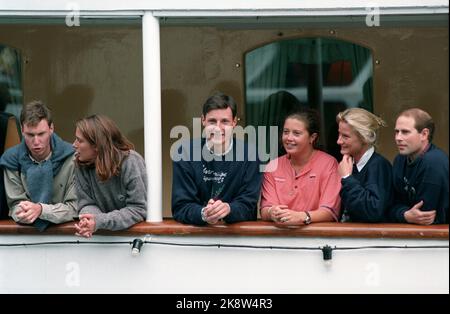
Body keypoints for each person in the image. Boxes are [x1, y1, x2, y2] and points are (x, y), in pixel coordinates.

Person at [171, 92, 262, 225]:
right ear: (203, 120)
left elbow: (248, 206)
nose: (218, 128)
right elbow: (180, 206)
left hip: (239, 240)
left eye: (225, 121)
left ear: (234, 122)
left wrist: (228, 209)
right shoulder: (185, 152)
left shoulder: (251, 154)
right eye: (212, 121)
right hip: (196, 239)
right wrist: (204, 213)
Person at [0, 100, 76, 231]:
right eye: (30, 135)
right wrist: (25, 212)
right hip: (27, 236)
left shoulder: (72, 158)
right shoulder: (11, 160)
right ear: (22, 130)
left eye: (41, 134)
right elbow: (15, 205)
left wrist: (41, 210)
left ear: (51, 129)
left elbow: (74, 208)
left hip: (66, 236)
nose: (36, 142)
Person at [260, 109, 341, 225]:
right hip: (279, 237)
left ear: (312, 137)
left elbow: (329, 211)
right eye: (286, 132)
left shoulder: (329, 164)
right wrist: (271, 212)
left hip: (316, 238)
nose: (289, 138)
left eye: (296, 133)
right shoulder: (273, 166)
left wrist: (302, 217)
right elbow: (265, 209)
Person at [73, 114, 147, 237]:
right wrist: (88, 221)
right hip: (100, 241)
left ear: (97, 145)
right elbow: (86, 204)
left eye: (79, 140)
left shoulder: (131, 162)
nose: (74, 144)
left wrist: (99, 221)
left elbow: (138, 209)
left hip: (133, 239)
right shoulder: (80, 163)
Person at [389, 108, 448, 225]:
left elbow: (424, 217)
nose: (398, 138)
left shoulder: (434, 163)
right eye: (397, 132)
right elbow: (389, 204)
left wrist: (400, 213)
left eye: (405, 132)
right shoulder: (400, 160)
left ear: (424, 134)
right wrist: (405, 214)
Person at [336, 108, 393, 222]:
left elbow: (373, 211)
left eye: (345, 136)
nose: (339, 141)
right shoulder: (349, 164)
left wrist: (347, 178)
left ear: (364, 138)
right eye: (339, 134)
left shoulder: (379, 166)